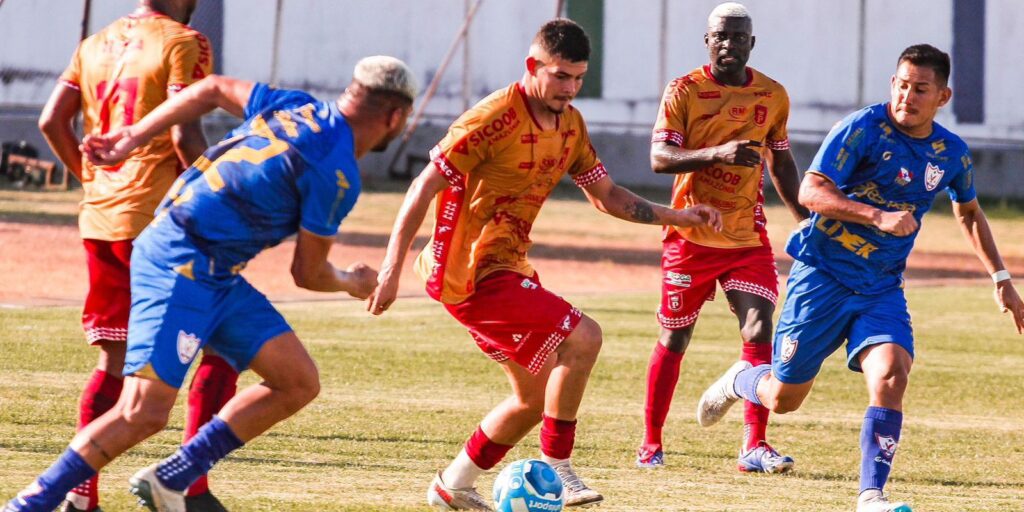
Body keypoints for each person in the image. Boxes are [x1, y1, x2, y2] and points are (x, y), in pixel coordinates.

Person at [5, 55, 417, 512]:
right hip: (180, 261)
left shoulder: (294, 105)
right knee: (142, 412)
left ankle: (173, 478)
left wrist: (133, 135)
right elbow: (308, 273)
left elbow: (213, 87)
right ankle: (30, 504)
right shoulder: (336, 172)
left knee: (297, 380)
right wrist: (351, 281)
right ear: (395, 116)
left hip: (215, 270)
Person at [367, 19, 722, 511]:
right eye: (560, 77)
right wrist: (390, 268)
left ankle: (453, 484)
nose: (570, 88)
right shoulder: (494, 117)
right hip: (466, 274)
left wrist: (679, 215)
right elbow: (424, 184)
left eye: (578, 78)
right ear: (533, 67)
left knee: (532, 400)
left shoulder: (571, 126)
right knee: (584, 335)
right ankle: (559, 469)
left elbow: (608, 195)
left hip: (507, 269)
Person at [696, 44, 1024, 512]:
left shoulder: (950, 153)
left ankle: (871, 494)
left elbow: (968, 210)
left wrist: (1001, 277)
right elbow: (810, 190)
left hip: (880, 287)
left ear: (943, 96)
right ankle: (742, 381)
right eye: (902, 84)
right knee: (784, 400)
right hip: (821, 278)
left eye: (920, 89)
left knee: (892, 373)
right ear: (893, 83)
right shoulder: (862, 129)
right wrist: (876, 215)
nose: (907, 96)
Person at [35, 2, 237, 510]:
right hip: (162, 223)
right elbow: (182, 132)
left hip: (103, 219)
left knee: (115, 359)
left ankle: (80, 495)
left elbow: (50, 121)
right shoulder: (184, 41)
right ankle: (188, 486)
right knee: (226, 344)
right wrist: (215, 204)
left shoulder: (95, 42)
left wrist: (93, 181)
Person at [636, 2, 807, 472]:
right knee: (675, 339)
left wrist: (803, 220)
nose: (729, 44)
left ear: (752, 42)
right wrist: (720, 153)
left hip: (745, 236)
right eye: (720, 36)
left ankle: (754, 445)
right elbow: (660, 157)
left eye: (738, 37)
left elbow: (782, 161)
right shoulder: (684, 90)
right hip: (689, 233)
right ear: (707, 41)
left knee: (759, 328)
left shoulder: (772, 95)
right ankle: (651, 442)